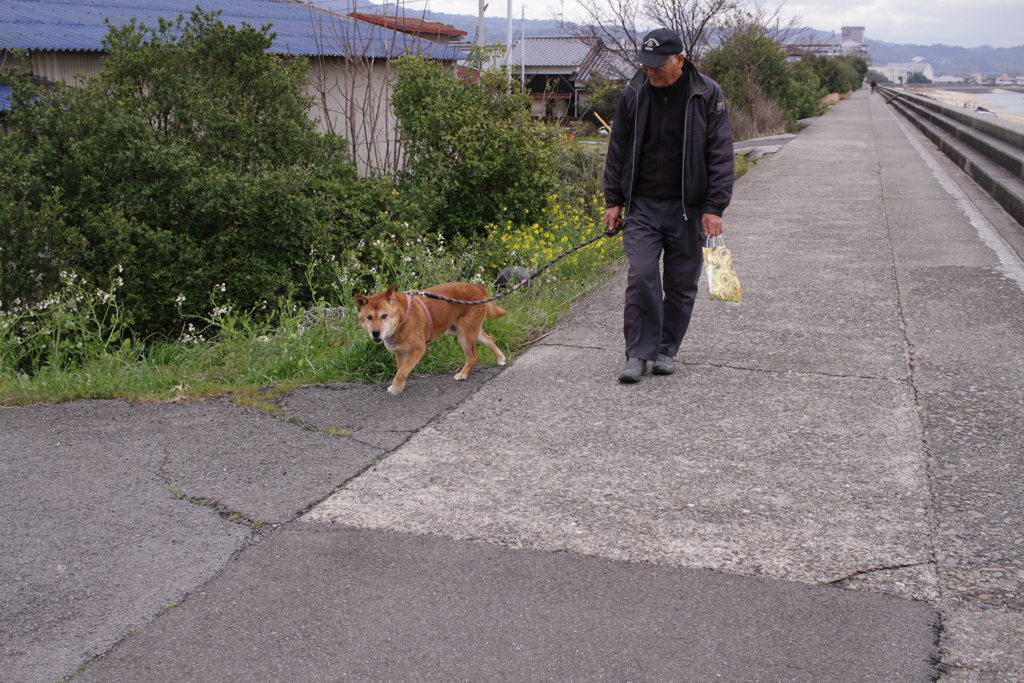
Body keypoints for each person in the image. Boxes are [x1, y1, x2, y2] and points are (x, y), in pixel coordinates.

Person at [602, 28, 735, 383]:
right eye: (645, 65)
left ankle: (665, 349)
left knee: (680, 283)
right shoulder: (633, 92)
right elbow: (617, 149)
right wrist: (613, 201)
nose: (650, 71)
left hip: (688, 207)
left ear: (679, 59)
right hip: (642, 204)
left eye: (657, 65)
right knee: (641, 275)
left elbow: (720, 153)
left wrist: (715, 207)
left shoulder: (706, 93)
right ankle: (637, 354)